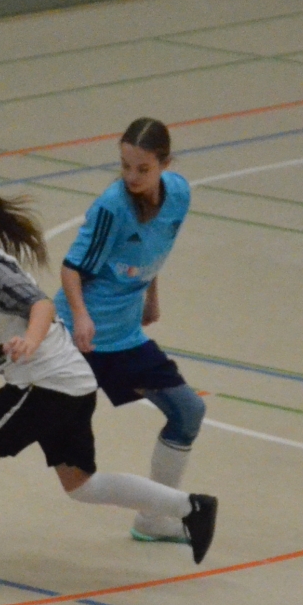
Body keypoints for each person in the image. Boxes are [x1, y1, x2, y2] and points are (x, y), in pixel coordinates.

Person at [0, 189, 217, 595]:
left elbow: (41, 306)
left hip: (43, 386)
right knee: (82, 485)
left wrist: (31, 341)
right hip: (70, 386)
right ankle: (190, 506)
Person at [56, 117, 206, 543]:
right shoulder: (112, 207)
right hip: (77, 340)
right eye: (125, 166)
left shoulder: (179, 195)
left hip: (123, 339)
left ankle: (154, 519)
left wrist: (151, 296)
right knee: (17, 429)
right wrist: (81, 317)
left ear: (165, 164)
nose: (132, 177)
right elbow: (71, 268)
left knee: (188, 412)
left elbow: (155, 250)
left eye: (143, 168)